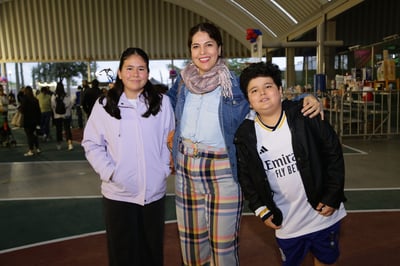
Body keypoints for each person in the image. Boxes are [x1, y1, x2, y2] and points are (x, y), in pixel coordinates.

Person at [166, 22, 322, 265]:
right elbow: (162, 106)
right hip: (185, 171)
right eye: (196, 46)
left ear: (219, 48)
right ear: (190, 51)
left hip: (222, 172)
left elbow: (268, 100)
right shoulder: (183, 83)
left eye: (209, 44)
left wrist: (307, 99)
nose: (202, 51)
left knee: (222, 247)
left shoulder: (234, 84)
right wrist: (172, 133)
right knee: (192, 246)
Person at [235, 62, 347, 266]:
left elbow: (333, 154)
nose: (262, 93)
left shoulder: (305, 114)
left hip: (322, 213)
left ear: (279, 90)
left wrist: (332, 195)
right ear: (249, 101)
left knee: (326, 261)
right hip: (286, 222)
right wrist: (261, 209)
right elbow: (246, 176)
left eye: (268, 86)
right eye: (254, 90)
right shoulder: (245, 135)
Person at [81, 47, 175, 266]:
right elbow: (91, 143)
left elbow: (168, 141)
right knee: (123, 256)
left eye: (141, 68)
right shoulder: (104, 105)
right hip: (119, 196)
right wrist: (110, 172)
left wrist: (161, 171)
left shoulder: (162, 103)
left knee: (151, 255)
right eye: (130, 68)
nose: (135, 74)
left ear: (148, 73)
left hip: (154, 195)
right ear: (120, 73)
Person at [51, 82, 74, 151]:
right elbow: (70, 103)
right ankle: (69, 144)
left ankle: (59, 144)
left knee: (58, 130)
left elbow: (53, 105)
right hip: (66, 114)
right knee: (67, 129)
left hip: (57, 115)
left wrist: (56, 111)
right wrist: (67, 109)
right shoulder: (66, 95)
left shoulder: (54, 95)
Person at [19, 86, 41, 156]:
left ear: (25, 91)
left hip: (27, 120)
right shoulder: (35, 100)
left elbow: (22, 109)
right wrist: (38, 121)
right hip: (35, 120)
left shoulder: (25, 99)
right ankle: (37, 148)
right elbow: (38, 111)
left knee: (29, 135)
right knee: (34, 135)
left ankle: (30, 150)